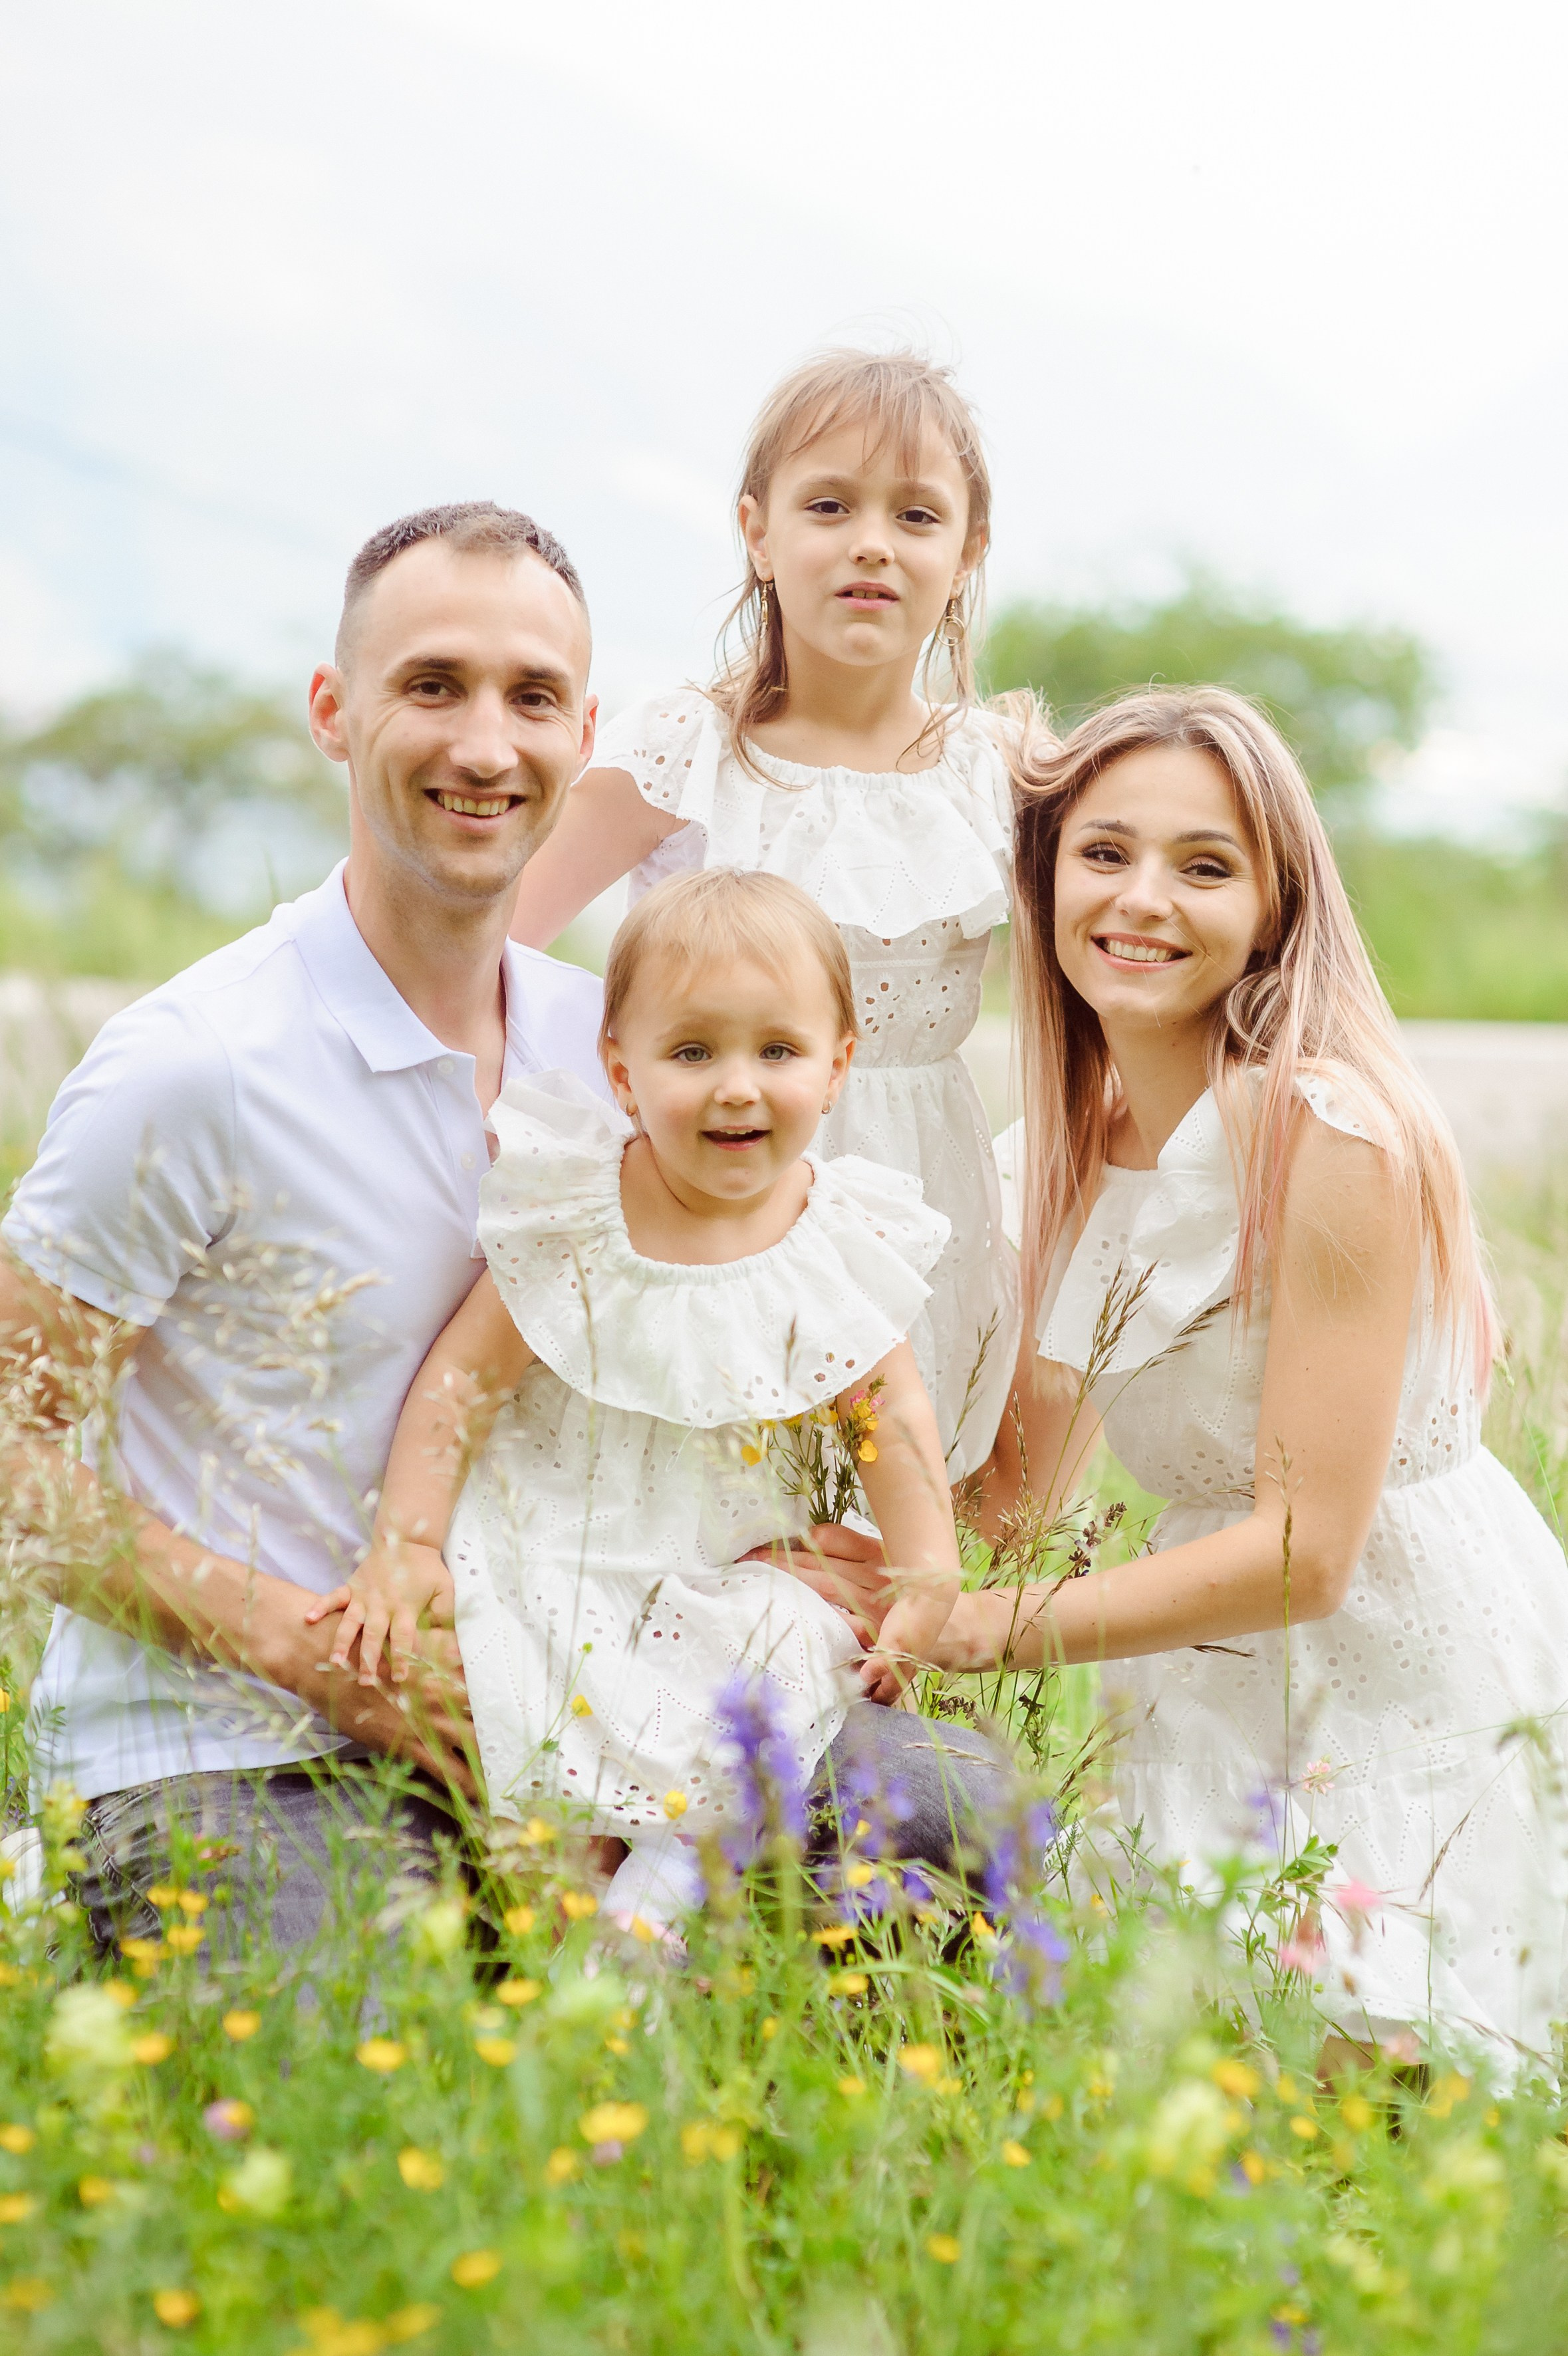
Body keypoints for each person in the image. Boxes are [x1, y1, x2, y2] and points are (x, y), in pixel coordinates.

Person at [815, 687, 1568, 2072]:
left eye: (1204, 864)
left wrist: (976, 1630)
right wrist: (839, 1493)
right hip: (1197, 1681)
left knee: (1395, 2109)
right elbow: (1014, 1502)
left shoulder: (1331, 1129)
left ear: (1276, 906)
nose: (1142, 898)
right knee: (1219, 2118)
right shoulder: (1057, 1149)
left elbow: (1305, 1551)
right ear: (1044, 882)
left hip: (1399, 1671)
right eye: (1103, 852)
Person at [0, 501, 608, 1948]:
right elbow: (11, 1446)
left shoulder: (614, 1052)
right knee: (386, 2103)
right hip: (222, 1754)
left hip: (537, 1748)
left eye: (532, 697)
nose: (484, 744)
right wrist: (311, 1650)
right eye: (432, 685)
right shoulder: (196, 1061)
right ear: (336, 712)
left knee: (928, 1809)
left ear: (586, 732)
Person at [306, 868, 973, 1936]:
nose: (737, 1087)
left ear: (839, 1065)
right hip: (558, 1549)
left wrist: (926, 1568)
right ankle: (555, 1929)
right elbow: (461, 1382)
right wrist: (410, 1542)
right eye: (692, 1051)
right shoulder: (579, 1209)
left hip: (723, 1562)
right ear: (622, 1069)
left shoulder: (835, 1233)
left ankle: (653, 1916)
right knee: (531, 1724)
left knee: (775, 1669)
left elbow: (885, 1414)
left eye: (778, 1051)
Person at [509, 349, 1020, 1482]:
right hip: (710, 1165)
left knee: (879, 1537)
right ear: (758, 530)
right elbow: (493, 937)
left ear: (967, 547)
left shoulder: (991, 771)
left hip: (919, 1188)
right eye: (828, 505)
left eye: (917, 514)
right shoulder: (688, 748)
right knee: (703, 1505)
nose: (871, 543)